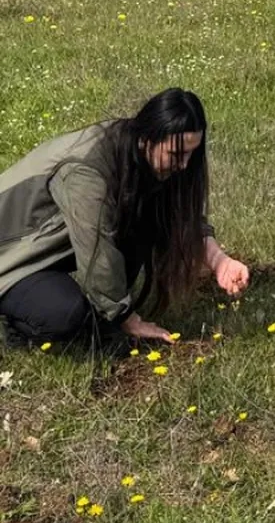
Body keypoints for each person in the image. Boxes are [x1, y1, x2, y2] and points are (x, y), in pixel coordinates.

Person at [0, 88, 249, 346]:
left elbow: (177, 215)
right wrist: (127, 319)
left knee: (142, 219)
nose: (185, 165)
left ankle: (103, 312)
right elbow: (97, 247)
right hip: (10, 260)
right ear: (147, 138)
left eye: (191, 154)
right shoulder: (86, 172)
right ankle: (17, 324)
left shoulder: (139, 153)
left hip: (44, 249)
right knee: (67, 316)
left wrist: (220, 261)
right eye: (176, 155)